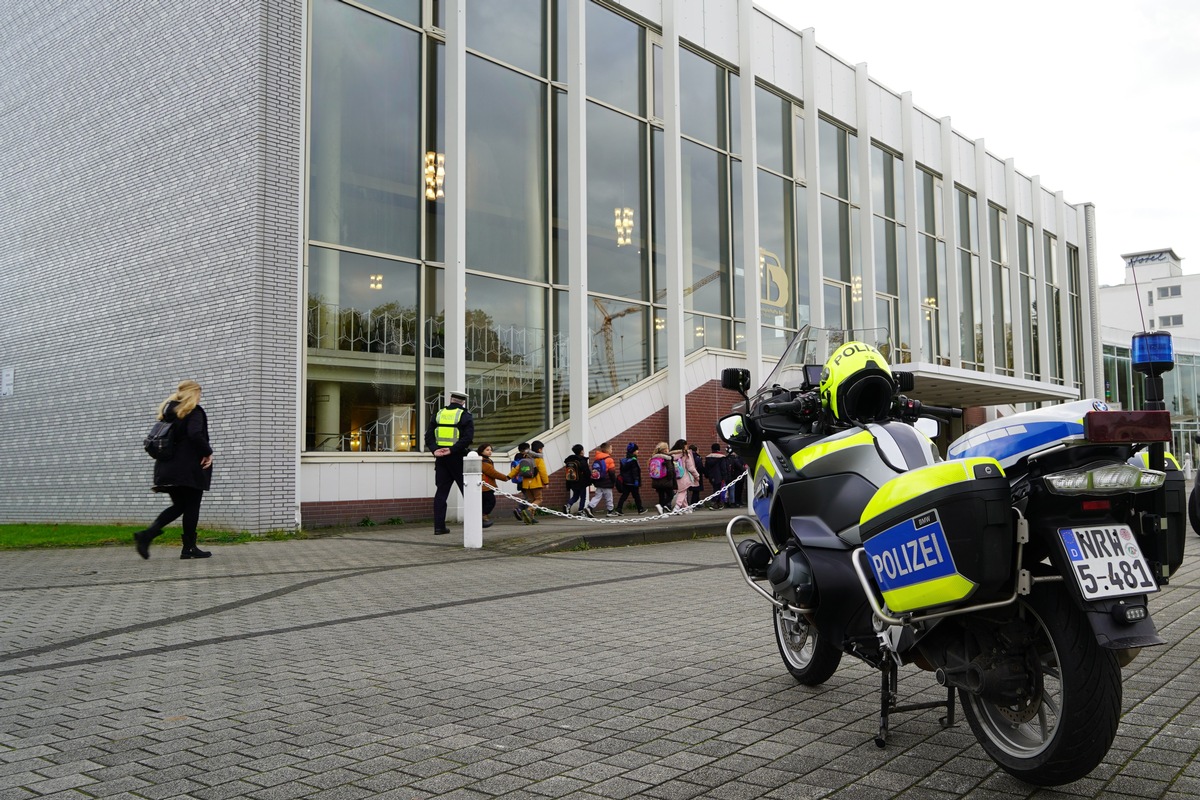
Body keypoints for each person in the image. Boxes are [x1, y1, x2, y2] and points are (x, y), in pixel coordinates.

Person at [134, 380, 215, 560]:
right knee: (191, 506)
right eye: (199, 394)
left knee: (180, 505)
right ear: (193, 394)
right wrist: (208, 453)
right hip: (189, 468)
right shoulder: (193, 411)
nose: (200, 397)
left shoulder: (168, 413)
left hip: (167, 467)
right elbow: (195, 434)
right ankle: (189, 548)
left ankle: (147, 535)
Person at [423, 390, 474, 535]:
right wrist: (452, 450)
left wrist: (435, 450)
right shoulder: (465, 415)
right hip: (457, 458)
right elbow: (467, 438)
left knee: (441, 493)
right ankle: (477, 522)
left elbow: (428, 437)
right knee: (468, 491)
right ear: (463, 402)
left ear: (451, 399)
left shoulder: (438, 414)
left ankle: (439, 527)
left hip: (441, 459)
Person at [507, 442, 546, 524]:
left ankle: (530, 518)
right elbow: (543, 471)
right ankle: (528, 511)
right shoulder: (538, 459)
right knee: (538, 499)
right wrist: (546, 482)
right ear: (539, 449)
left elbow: (516, 469)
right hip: (536, 483)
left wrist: (509, 476)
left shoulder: (524, 458)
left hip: (526, 484)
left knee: (531, 500)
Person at [477, 443, 508, 529]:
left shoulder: (487, 460)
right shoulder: (483, 461)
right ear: (481, 451)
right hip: (485, 487)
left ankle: (482, 519)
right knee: (491, 502)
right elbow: (492, 472)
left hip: (487, 486)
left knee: (484, 503)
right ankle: (483, 517)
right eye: (487, 450)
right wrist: (505, 478)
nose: (490, 451)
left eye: (490, 450)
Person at [583, 442, 617, 517]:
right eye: (611, 448)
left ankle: (589, 507)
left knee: (597, 496)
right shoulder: (609, 459)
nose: (612, 450)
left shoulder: (597, 459)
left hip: (598, 481)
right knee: (609, 497)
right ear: (607, 450)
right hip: (607, 481)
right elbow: (611, 472)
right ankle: (610, 511)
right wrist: (614, 481)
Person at [670, 438, 699, 512]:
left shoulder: (671, 454)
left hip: (673, 476)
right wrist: (696, 475)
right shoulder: (685, 454)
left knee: (683, 491)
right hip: (683, 476)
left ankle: (686, 509)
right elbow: (691, 467)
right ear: (684, 446)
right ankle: (677, 507)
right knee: (682, 492)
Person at [616, 442, 647, 514]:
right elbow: (635, 471)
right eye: (636, 450)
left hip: (626, 482)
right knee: (636, 496)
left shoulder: (624, 460)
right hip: (633, 482)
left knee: (624, 495)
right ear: (633, 451)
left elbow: (622, 471)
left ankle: (619, 509)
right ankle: (640, 509)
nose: (638, 451)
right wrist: (636, 480)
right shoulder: (633, 460)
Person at [563, 443, 591, 515]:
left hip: (572, 481)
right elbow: (586, 472)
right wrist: (590, 479)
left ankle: (568, 505)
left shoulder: (570, 460)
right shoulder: (582, 460)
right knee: (583, 497)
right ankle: (580, 511)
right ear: (581, 451)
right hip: (581, 482)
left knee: (575, 496)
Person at [649, 442, 675, 515]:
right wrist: (670, 478)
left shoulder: (654, 458)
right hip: (666, 480)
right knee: (670, 495)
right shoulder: (667, 458)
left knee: (661, 496)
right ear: (665, 450)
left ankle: (661, 512)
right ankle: (661, 506)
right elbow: (670, 469)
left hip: (656, 480)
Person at [703, 443, 728, 509]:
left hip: (712, 476)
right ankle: (714, 503)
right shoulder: (721, 457)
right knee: (718, 490)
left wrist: (707, 475)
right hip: (719, 476)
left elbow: (706, 468)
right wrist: (724, 476)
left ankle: (718, 503)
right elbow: (723, 468)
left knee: (715, 488)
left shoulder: (708, 457)